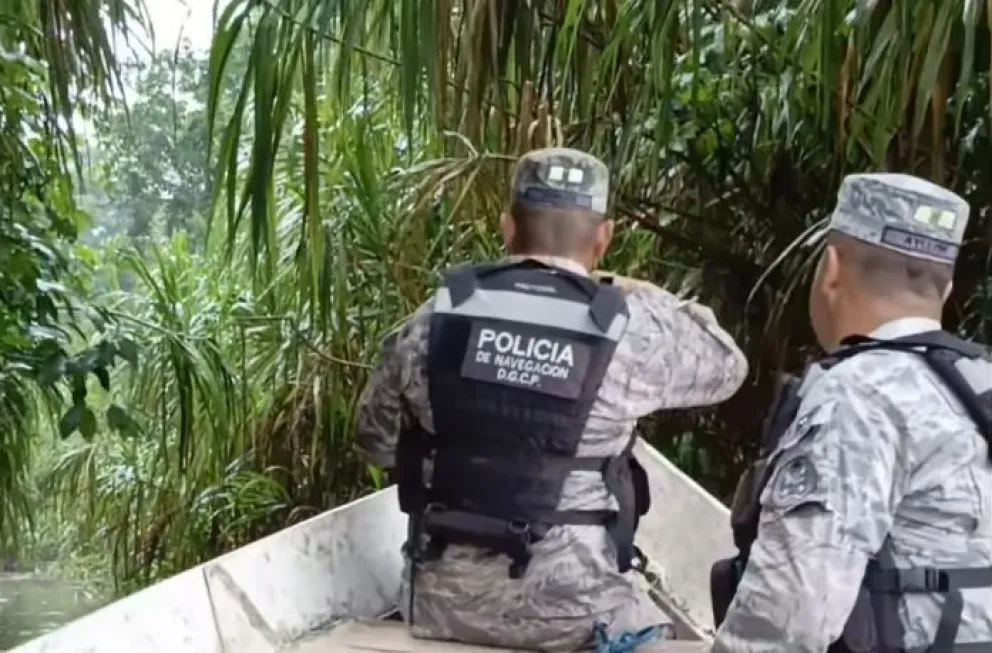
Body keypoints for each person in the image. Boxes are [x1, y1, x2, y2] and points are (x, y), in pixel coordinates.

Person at [355, 147, 749, 651]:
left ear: (506, 228)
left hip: (442, 608)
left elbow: (375, 441)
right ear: (603, 238)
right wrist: (633, 288)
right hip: (581, 613)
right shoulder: (627, 329)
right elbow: (728, 366)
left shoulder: (436, 319)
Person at [708, 173, 992, 653]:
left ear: (832, 269)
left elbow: (791, 612)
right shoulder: (977, 383)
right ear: (943, 294)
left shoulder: (857, 397)